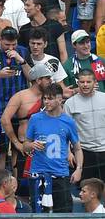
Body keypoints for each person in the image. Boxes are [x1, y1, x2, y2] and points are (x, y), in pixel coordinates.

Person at [23, 83, 82, 212]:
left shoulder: (68, 121)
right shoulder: (35, 119)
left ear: (60, 99)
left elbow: (77, 148)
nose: (46, 101)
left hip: (60, 175)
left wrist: (79, 169)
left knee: (63, 213)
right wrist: (32, 145)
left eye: (50, 98)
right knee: (38, 214)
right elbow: (25, 146)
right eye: (44, 98)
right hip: (38, 174)